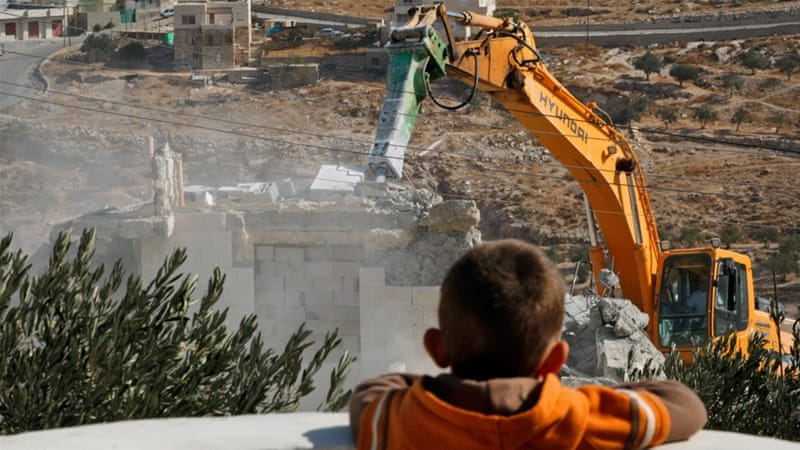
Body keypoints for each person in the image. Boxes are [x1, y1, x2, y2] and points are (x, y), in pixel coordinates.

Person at [349, 239, 707, 450]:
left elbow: (368, 396)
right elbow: (685, 405)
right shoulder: (580, 418)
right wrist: (597, 393)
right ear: (555, 359)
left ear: (436, 348)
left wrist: (430, 387)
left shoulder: (406, 419)